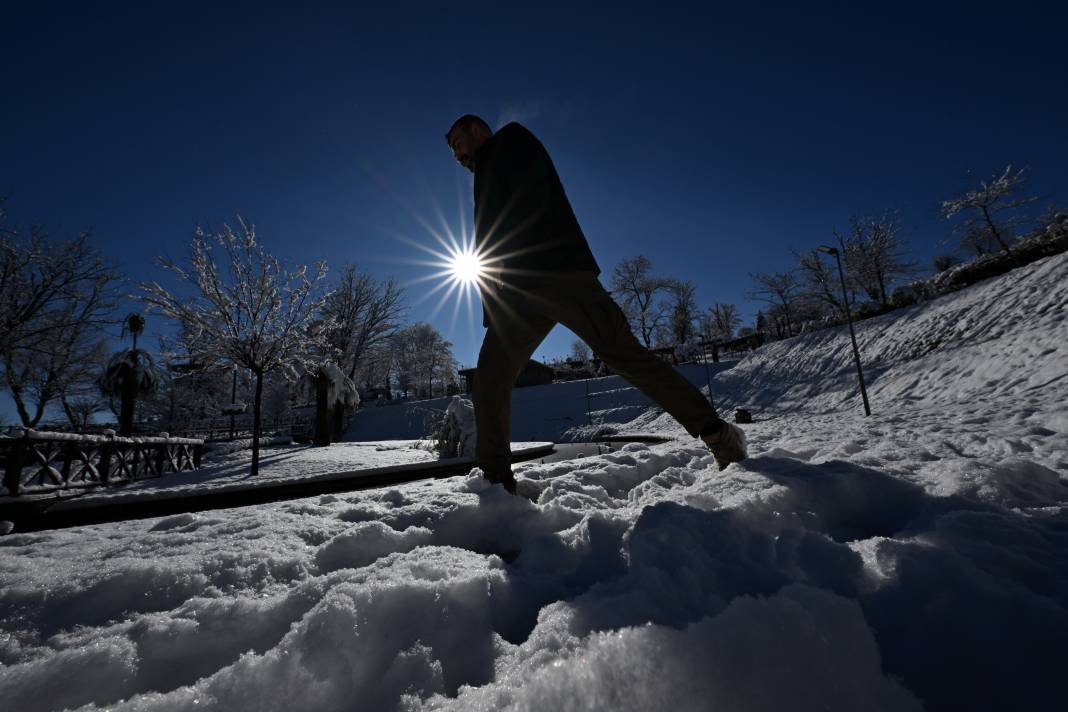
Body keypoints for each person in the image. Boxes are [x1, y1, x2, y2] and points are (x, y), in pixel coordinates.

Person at [445, 114, 746, 494]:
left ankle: (719, 434)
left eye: (458, 143)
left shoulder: (512, 141)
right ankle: (496, 486)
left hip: (560, 274)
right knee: (489, 379)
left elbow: (525, 202)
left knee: (624, 355)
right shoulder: (486, 172)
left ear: (477, 130)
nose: (457, 155)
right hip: (517, 296)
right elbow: (490, 240)